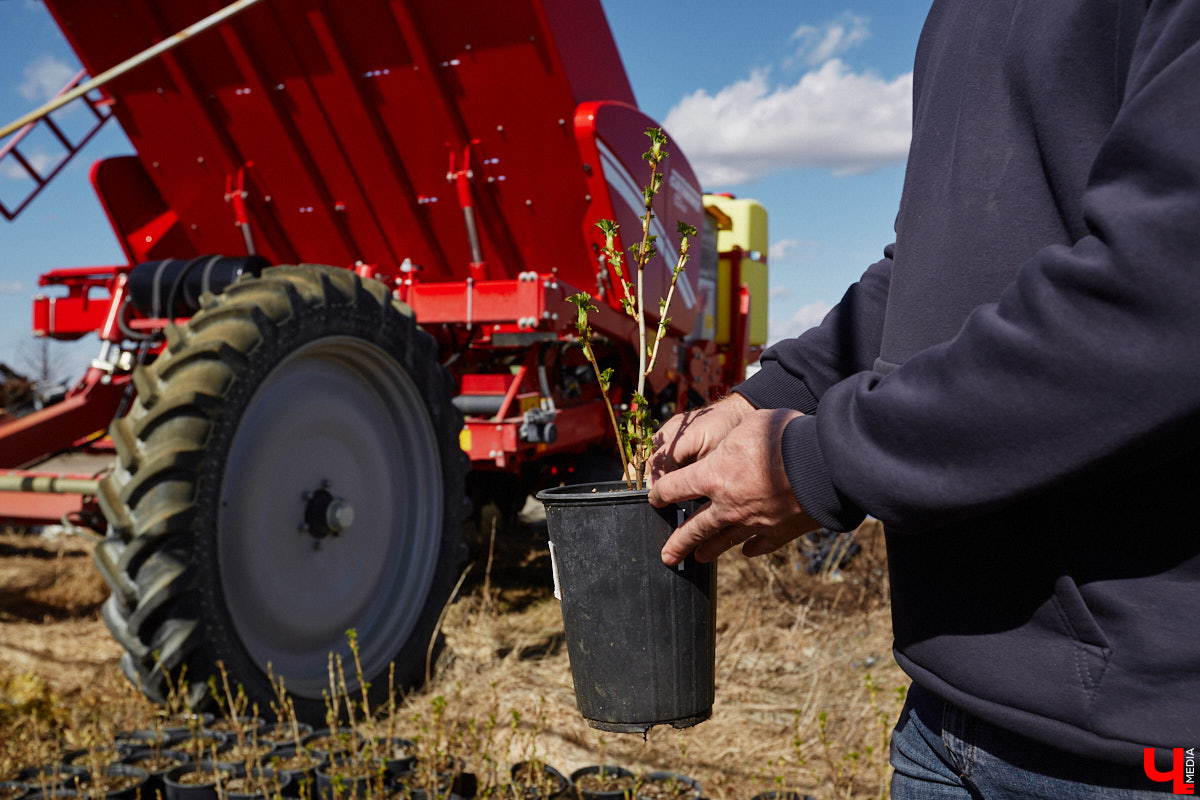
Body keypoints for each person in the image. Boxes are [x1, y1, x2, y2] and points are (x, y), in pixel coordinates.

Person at [647, 2, 1200, 797]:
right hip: (941, 715)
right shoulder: (955, 15)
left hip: (1130, 746)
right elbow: (927, 269)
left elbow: (1163, 296)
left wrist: (820, 461)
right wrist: (772, 393)